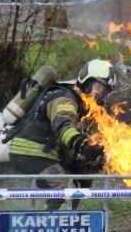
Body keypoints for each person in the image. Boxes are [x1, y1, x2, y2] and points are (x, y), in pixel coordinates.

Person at [8, 59, 115, 210]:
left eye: (104, 91)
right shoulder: (65, 99)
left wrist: (92, 156)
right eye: (98, 87)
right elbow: (63, 128)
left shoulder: (80, 103)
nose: (100, 93)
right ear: (86, 81)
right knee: (63, 189)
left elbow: (72, 138)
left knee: (79, 181)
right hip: (31, 152)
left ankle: (63, 224)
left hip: (46, 152)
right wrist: (83, 146)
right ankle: (45, 229)